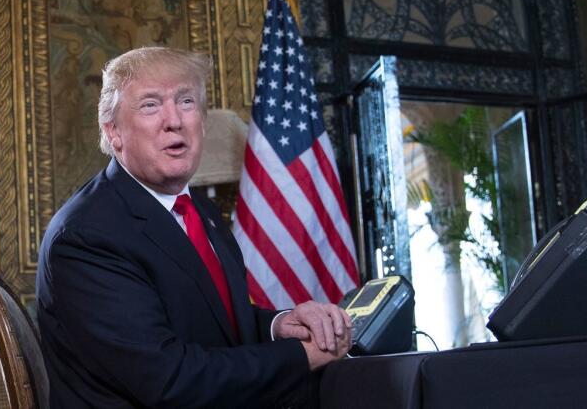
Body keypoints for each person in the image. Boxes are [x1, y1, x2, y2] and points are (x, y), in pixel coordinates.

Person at [37, 46, 352, 408]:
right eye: (151, 105)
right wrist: (303, 357)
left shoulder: (200, 211)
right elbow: (169, 380)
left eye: (186, 102)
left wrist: (279, 325)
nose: (174, 120)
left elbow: (210, 320)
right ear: (114, 132)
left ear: (202, 122)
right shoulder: (86, 236)